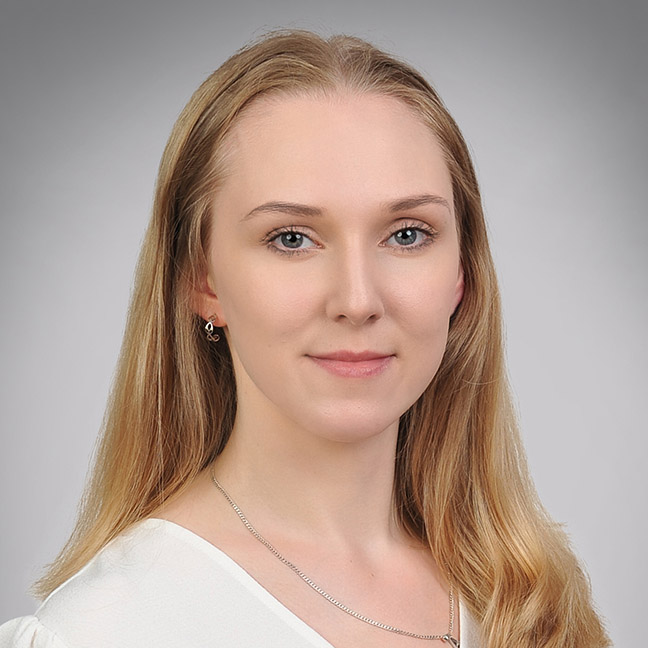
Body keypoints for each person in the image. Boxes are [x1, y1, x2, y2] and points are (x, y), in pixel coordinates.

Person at [0, 29, 610, 648]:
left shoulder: (532, 598)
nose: (357, 300)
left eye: (407, 234)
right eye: (291, 238)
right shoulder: (107, 629)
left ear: (462, 274)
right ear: (202, 280)